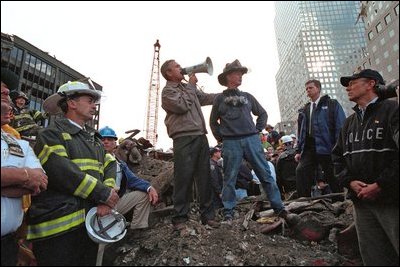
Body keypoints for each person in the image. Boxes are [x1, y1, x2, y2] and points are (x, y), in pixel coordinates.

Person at [26, 81, 119, 266]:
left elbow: (110, 163)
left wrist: (106, 194)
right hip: (58, 231)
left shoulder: (93, 140)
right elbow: (61, 172)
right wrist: (104, 194)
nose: (94, 105)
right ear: (72, 103)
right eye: (90, 100)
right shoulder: (51, 134)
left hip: (87, 225)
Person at [332, 69, 399, 266]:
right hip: (362, 204)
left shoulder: (392, 110)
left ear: (370, 84)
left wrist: (381, 184)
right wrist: (350, 182)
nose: (348, 87)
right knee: (374, 256)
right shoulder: (349, 123)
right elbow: (337, 157)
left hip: (391, 199)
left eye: (353, 82)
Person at [210, 59, 289, 223]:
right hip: (231, 142)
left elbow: (262, 114)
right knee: (230, 178)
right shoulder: (219, 99)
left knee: (265, 174)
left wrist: (257, 131)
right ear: (228, 77)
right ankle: (228, 212)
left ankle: (279, 208)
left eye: (241, 73)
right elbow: (212, 122)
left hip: (251, 139)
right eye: (237, 73)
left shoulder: (247, 97)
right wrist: (222, 138)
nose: (240, 76)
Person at [160, 59, 219, 230]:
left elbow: (205, 98)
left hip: (200, 135)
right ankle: (180, 218)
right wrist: (192, 86)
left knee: (205, 177)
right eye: (177, 67)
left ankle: (207, 216)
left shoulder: (187, 88)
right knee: (183, 177)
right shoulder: (167, 92)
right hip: (183, 138)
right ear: (169, 73)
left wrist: (224, 95)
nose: (181, 68)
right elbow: (182, 106)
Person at [1, 71, 48, 266]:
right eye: (1, 90)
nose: (6, 92)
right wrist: (25, 177)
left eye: (6, 91)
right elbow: (30, 179)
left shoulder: (17, 141)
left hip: (6, 246)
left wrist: (9, 181)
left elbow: (40, 181)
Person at [99, 126, 158, 237]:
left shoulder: (119, 163)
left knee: (143, 195)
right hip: (97, 206)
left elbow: (132, 180)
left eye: (110, 139)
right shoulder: (93, 159)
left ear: (115, 143)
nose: (106, 141)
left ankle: (136, 231)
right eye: (103, 139)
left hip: (115, 203)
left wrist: (149, 187)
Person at [295, 79, 346, 198]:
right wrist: (298, 150)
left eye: (310, 88)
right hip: (309, 147)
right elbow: (301, 132)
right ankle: (304, 201)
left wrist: (339, 146)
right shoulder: (305, 109)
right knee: (301, 171)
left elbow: (340, 126)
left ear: (318, 88)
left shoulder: (331, 104)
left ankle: (339, 200)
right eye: (306, 88)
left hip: (328, 146)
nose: (308, 90)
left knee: (332, 174)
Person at [276, 135, 298, 199]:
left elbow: (278, 176)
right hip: (301, 183)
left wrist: (281, 190)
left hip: (288, 187)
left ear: (283, 145)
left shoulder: (280, 158)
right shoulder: (298, 154)